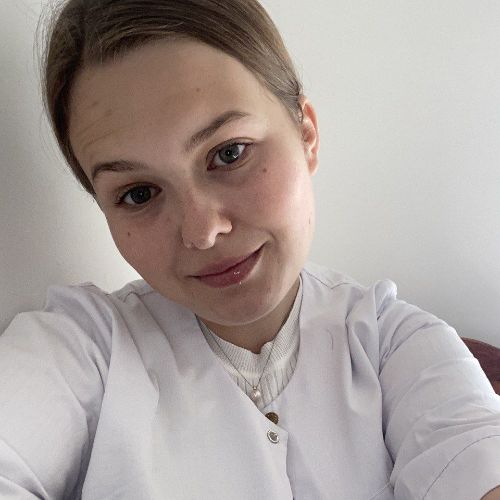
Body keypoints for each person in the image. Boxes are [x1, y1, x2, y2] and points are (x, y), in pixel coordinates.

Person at [1, 0, 499, 498]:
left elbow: (472, 453)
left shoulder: (396, 344)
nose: (202, 231)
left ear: (306, 134)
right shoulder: (83, 349)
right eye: (138, 193)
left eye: (229, 153)